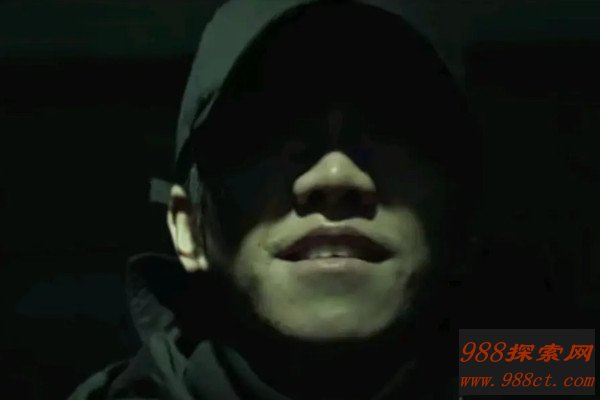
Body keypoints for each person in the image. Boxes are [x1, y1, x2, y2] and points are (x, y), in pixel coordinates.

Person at [69, 0, 482, 399]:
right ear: (188, 228)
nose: (335, 176)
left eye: (396, 127)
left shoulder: (518, 373)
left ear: (462, 217)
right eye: (266, 132)